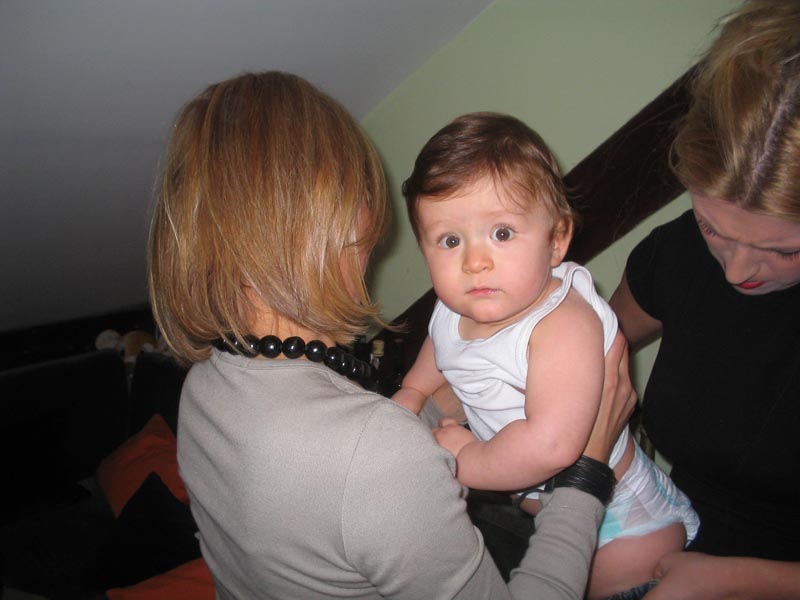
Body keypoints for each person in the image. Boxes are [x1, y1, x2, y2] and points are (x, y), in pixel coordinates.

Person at [147, 70, 636, 600]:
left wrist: (442, 400)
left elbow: (341, 479)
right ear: (323, 218)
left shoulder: (202, 385)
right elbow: (367, 468)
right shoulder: (376, 457)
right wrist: (588, 473)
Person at [393, 112, 699, 600]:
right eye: (450, 241)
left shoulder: (562, 324)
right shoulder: (457, 307)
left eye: (502, 233)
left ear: (556, 241)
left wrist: (469, 459)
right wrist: (413, 391)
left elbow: (553, 446)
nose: (474, 261)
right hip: (556, 510)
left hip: (623, 525)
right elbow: (441, 345)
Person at [607, 1, 800, 598]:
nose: (737, 270)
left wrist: (739, 580)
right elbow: (590, 344)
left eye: (784, 251)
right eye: (713, 227)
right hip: (669, 543)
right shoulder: (678, 254)